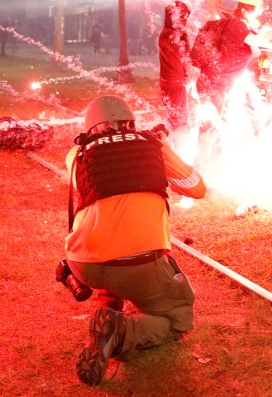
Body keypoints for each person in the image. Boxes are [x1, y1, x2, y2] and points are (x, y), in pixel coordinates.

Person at [63, 95, 206, 386]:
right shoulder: (152, 144)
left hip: (83, 263)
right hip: (138, 262)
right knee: (178, 319)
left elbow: (105, 184)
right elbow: (196, 188)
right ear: (131, 121)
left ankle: (109, 310)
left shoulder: (75, 154)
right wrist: (162, 148)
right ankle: (123, 332)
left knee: (108, 246)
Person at [193, 0, 272, 111]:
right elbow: (255, 41)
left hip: (215, 83)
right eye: (256, 10)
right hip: (214, 84)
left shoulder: (240, 27)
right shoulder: (237, 25)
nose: (259, 13)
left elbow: (261, 42)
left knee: (214, 123)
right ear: (245, 10)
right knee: (212, 126)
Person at [157, 1, 191, 130]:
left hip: (175, 82)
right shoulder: (169, 35)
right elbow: (185, 51)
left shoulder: (170, 33)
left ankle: (177, 143)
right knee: (178, 121)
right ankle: (177, 145)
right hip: (173, 83)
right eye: (183, 17)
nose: (185, 22)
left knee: (179, 119)